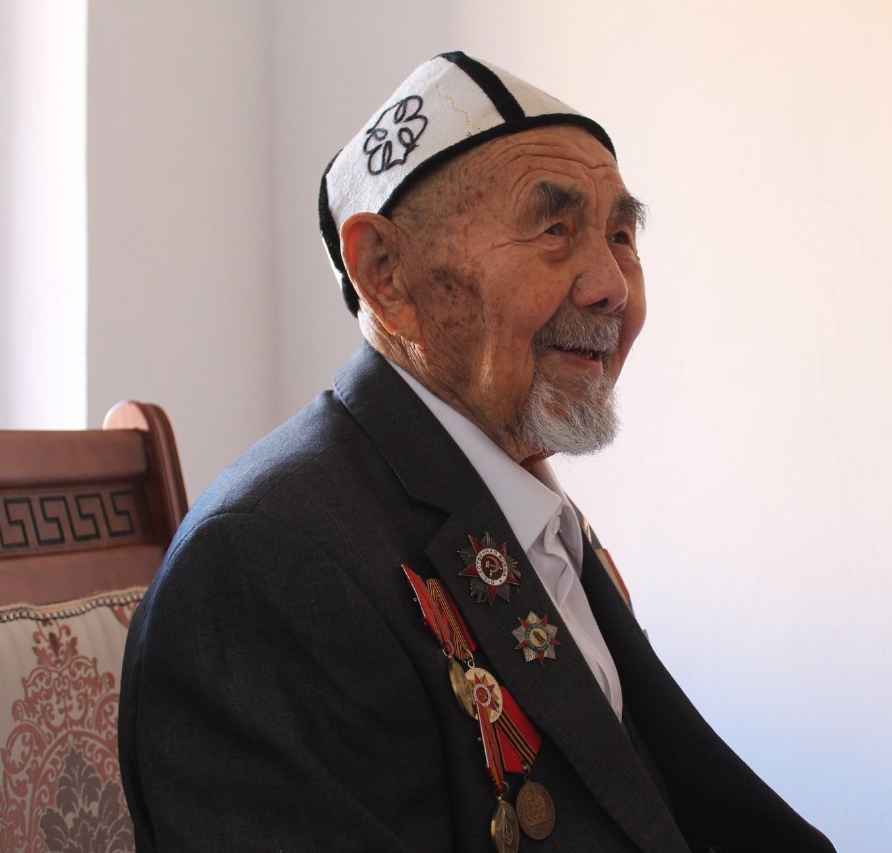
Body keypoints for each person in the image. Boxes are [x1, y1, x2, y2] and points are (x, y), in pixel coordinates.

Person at [119, 51, 835, 853]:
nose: (612, 285)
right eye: (555, 229)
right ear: (386, 273)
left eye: (620, 234)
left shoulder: (530, 507)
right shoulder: (262, 565)